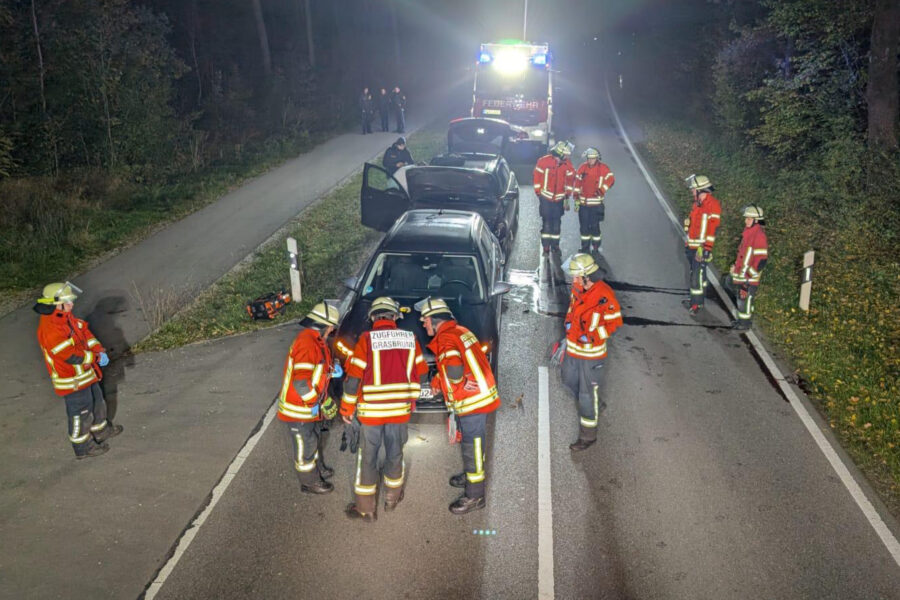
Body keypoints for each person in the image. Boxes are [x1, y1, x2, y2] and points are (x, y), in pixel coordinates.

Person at [340, 296, 428, 521]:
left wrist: (347, 409)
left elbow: (353, 380)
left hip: (371, 413)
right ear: (395, 316)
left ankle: (365, 508)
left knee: (367, 457)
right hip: (399, 412)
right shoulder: (410, 338)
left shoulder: (366, 340)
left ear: (373, 317)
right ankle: (392, 499)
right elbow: (423, 372)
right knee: (395, 453)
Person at [416, 297, 500, 515]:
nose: (423, 324)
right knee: (474, 443)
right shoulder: (460, 331)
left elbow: (453, 369)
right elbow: (453, 365)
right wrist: (437, 382)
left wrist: (458, 382)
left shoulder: (445, 339)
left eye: (425, 320)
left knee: (472, 447)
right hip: (481, 396)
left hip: (472, 401)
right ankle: (472, 476)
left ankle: (474, 495)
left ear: (434, 320)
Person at [34, 282, 123, 458]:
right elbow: (70, 355)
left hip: (85, 375)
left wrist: (98, 349)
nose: (72, 304)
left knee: (98, 403)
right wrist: (96, 358)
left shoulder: (66, 318)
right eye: (68, 301)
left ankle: (100, 430)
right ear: (55, 304)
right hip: (72, 381)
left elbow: (86, 336)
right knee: (80, 414)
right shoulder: (50, 329)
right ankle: (82, 446)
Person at [277, 302, 343, 494]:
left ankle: (317, 469)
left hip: (309, 407)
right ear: (323, 325)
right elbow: (300, 383)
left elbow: (319, 368)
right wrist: (323, 401)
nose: (332, 331)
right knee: (305, 445)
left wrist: (333, 367)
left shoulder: (316, 341)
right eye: (331, 327)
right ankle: (309, 482)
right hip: (298, 409)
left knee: (313, 439)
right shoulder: (307, 343)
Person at [561, 254, 623, 451]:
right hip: (573, 350)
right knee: (568, 381)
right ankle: (596, 403)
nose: (574, 280)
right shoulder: (577, 289)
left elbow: (614, 323)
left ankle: (588, 436)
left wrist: (595, 336)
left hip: (591, 355)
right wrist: (569, 324)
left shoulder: (605, 295)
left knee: (586, 396)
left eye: (577, 276)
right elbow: (573, 312)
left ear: (587, 276)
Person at [682, 174, 721, 315]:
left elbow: (712, 230)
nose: (692, 192)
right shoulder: (697, 203)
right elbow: (696, 225)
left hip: (700, 248)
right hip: (692, 246)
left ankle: (696, 304)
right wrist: (687, 228)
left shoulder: (713, 206)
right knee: (697, 274)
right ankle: (695, 299)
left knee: (696, 277)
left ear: (700, 190)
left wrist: (706, 249)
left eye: (694, 189)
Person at [729, 205, 768, 330]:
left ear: (756, 220)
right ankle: (741, 321)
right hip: (743, 276)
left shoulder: (759, 236)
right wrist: (736, 267)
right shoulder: (748, 233)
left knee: (746, 300)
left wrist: (747, 279)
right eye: (746, 218)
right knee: (741, 299)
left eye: (749, 219)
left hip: (750, 278)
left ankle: (745, 324)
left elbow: (761, 260)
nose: (746, 221)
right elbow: (743, 255)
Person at [533, 141, 575, 256]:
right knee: (546, 224)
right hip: (546, 199)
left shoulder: (568, 165)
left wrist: (567, 196)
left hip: (559, 200)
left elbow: (571, 180)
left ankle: (555, 246)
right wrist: (539, 193)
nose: (568, 156)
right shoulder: (543, 161)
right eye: (566, 154)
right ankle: (546, 247)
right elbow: (537, 177)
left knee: (556, 225)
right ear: (560, 154)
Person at [573, 147, 615, 255]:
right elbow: (577, 183)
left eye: (592, 158)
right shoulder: (582, 168)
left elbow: (611, 180)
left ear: (597, 158)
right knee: (584, 228)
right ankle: (585, 248)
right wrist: (576, 197)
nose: (590, 161)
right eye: (588, 158)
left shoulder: (603, 168)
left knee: (595, 227)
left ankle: (596, 248)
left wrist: (601, 190)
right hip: (583, 204)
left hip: (596, 204)